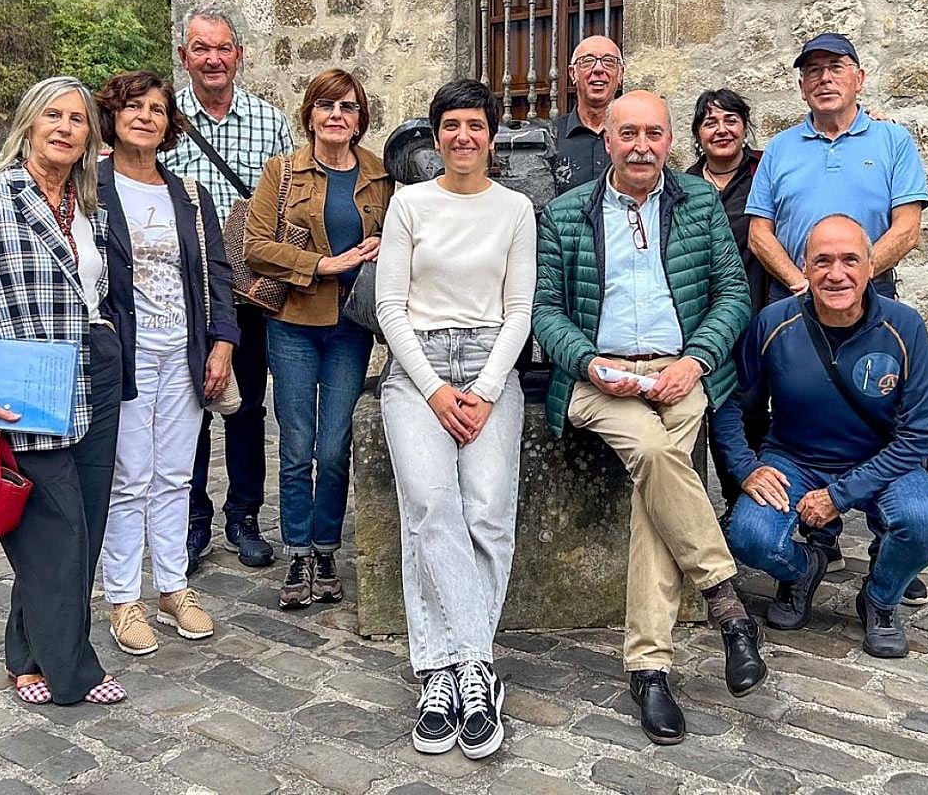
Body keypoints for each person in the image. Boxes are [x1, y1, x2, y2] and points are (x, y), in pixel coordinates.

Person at [532, 90, 765, 746]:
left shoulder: (699, 205)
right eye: (628, 133)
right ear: (607, 139)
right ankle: (727, 603)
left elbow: (732, 294)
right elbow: (544, 309)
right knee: (658, 455)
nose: (641, 146)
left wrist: (697, 360)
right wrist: (587, 361)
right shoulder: (566, 213)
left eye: (653, 134)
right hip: (600, 377)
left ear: (668, 141)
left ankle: (650, 669)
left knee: (652, 496)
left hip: (679, 371)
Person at [0, 76, 126, 706]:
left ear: (90, 136)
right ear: (29, 124)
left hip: (94, 372)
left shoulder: (87, 205)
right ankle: (73, 672)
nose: (66, 128)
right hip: (26, 384)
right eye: (53, 116)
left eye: (78, 119)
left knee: (84, 527)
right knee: (55, 531)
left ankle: (26, 654)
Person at [376, 79, 535, 760]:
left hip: (491, 363)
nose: (463, 136)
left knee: (489, 511)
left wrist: (486, 388)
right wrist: (436, 390)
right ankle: (458, 669)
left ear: (491, 137)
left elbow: (520, 309)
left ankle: (459, 665)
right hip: (418, 368)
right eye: (451, 125)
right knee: (430, 507)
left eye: (475, 125)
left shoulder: (515, 209)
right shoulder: (409, 204)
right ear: (435, 136)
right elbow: (390, 306)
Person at [745, 31, 928, 598]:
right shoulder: (781, 148)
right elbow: (760, 232)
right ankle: (813, 536)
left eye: (836, 67)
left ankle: (892, 545)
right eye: (813, 70)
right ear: (802, 86)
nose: (825, 78)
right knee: (802, 412)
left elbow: (908, 227)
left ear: (859, 78)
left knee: (887, 407)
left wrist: (854, 278)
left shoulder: (893, 140)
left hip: (871, 297)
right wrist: (806, 283)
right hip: (796, 297)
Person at [715, 214, 928, 657]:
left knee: (926, 524)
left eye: (849, 260)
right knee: (748, 536)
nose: (836, 273)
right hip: (795, 458)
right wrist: (746, 468)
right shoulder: (773, 323)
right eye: (822, 261)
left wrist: (838, 496)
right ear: (804, 267)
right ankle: (803, 569)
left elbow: (920, 434)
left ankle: (880, 598)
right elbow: (730, 400)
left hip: (881, 460)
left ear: (871, 266)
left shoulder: (905, 326)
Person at [96, 71, 241, 655]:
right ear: (113, 117)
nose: (145, 117)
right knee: (130, 477)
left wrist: (223, 342)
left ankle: (174, 588)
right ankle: (123, 598)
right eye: (133, 107)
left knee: (177, 475)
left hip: (185, 351)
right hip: (125, 354)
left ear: (168, 124)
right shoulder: (92, 188)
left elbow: (218, 273)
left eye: (157, 109)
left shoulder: (189, 194)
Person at [243, 69, 392, 610]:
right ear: (309, 114)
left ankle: (327, 548)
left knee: (333, 447)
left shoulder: (380, 175)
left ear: (360, 119)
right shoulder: (282, 171)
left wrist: (385, 247)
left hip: (350, 327)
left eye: (348, 107)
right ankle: (298, 552)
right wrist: (322, 264)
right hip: (293, 324)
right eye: (326, 105)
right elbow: (256, 246)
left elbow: (403, 237)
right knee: (296, 444)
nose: (336, 115)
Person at [162, 6, 295, 575]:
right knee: (187, 407)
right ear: (184, 56)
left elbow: (289, 201)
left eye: (222, 48)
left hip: (250, 292)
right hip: (183, 293)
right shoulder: (164, 120)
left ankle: (244, 516)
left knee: (248, 409)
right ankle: (192, 520)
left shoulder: (271, 122)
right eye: (201, 48)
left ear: (239, 55)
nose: (213, 59)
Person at [684, 89, 770, 516]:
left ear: (744, 126)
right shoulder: (683, 184)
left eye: (730, 120)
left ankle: (759, 502)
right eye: (710, 122)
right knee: (720, 404)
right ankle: (736, 501)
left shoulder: (764, 172)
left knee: (754, 406)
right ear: (698, 134)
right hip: (704, 318)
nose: (721, 130)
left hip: (756, 308)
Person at [552, 35, 624, 196]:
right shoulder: (551, 136)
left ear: (620, 74)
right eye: (587, 61)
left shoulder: (634, 138)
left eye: (609, 61)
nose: (598, 69)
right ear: (573, 74)